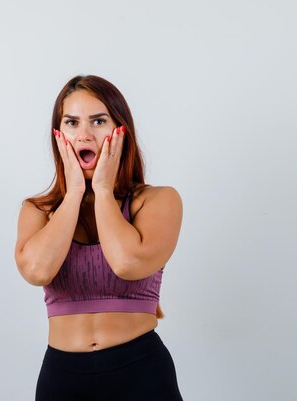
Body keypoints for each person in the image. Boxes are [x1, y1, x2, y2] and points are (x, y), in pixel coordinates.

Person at [14, 75, 185, 401]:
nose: (85, 134)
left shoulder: (158, 201)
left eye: (98, 121)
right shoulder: (38, 210)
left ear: (121, 131)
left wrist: (103, 189)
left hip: (141, 373)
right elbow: (37, 270)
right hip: (62, 379)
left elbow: (127, 262)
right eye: (72, 122)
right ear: (59, 134)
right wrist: (75, 191)